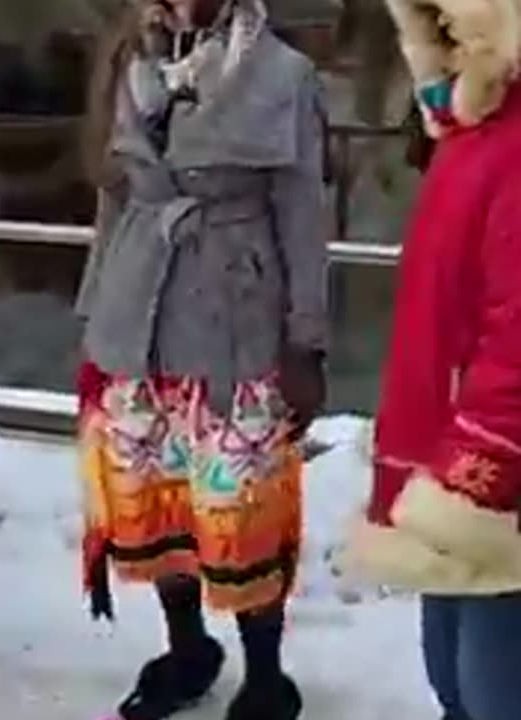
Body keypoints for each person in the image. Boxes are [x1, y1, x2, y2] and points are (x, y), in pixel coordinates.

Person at [76, 0, 329, 717]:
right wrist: (96, 317)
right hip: (137, 316)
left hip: (237, 325)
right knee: (152, 494)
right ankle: (188, 650)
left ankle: (265, 674)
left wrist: (306, 340)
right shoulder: (129, 63)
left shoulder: (284, 74)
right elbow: (113, 202)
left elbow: (306, 215)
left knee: (241, 499)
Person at [342, 0, 521, 719]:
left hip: (492, 495)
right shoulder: (473, 137)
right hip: (446, 475)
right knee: (456, 684)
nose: (442, 28)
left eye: (455, 12)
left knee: (490, 693)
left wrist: (477, 470)